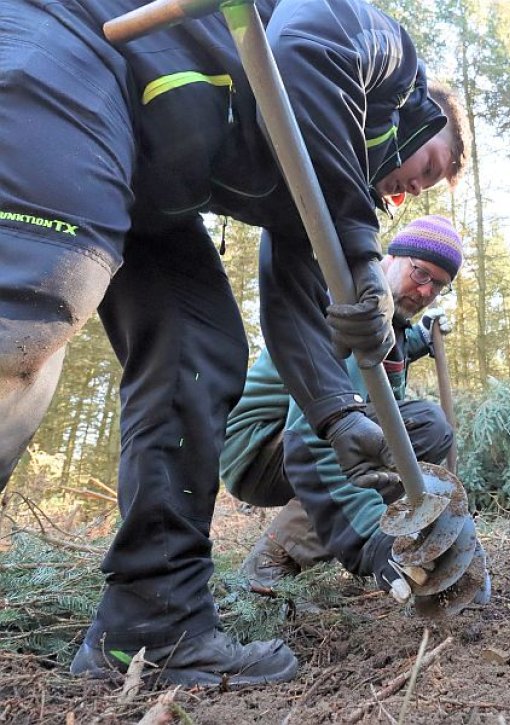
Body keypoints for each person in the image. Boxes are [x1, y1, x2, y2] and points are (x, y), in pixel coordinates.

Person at [0, 0, 464, 686]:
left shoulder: (323, 172)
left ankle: (151, 626)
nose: (407, 193)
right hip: (68, 47)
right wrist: (361, 243)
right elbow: (305, 43)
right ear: (426, 114)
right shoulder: (386, 57)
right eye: (427, 169)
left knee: (198, 349)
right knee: (29, 301)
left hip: (150, 172)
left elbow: (292, 298)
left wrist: (338, 416)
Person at [221, 216, 461, 600]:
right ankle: (275, 556)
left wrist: (420, 338)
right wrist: (369, 537)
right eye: (420, 273)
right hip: (260, 445)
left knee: (414, 431)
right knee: (423, 429)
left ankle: (288, 549)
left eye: (438, 286)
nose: (426, 290)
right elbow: (317, 438)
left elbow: (389, 352)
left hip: (290, 441)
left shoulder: (388, 321)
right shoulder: (351, 311)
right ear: (391, 257)